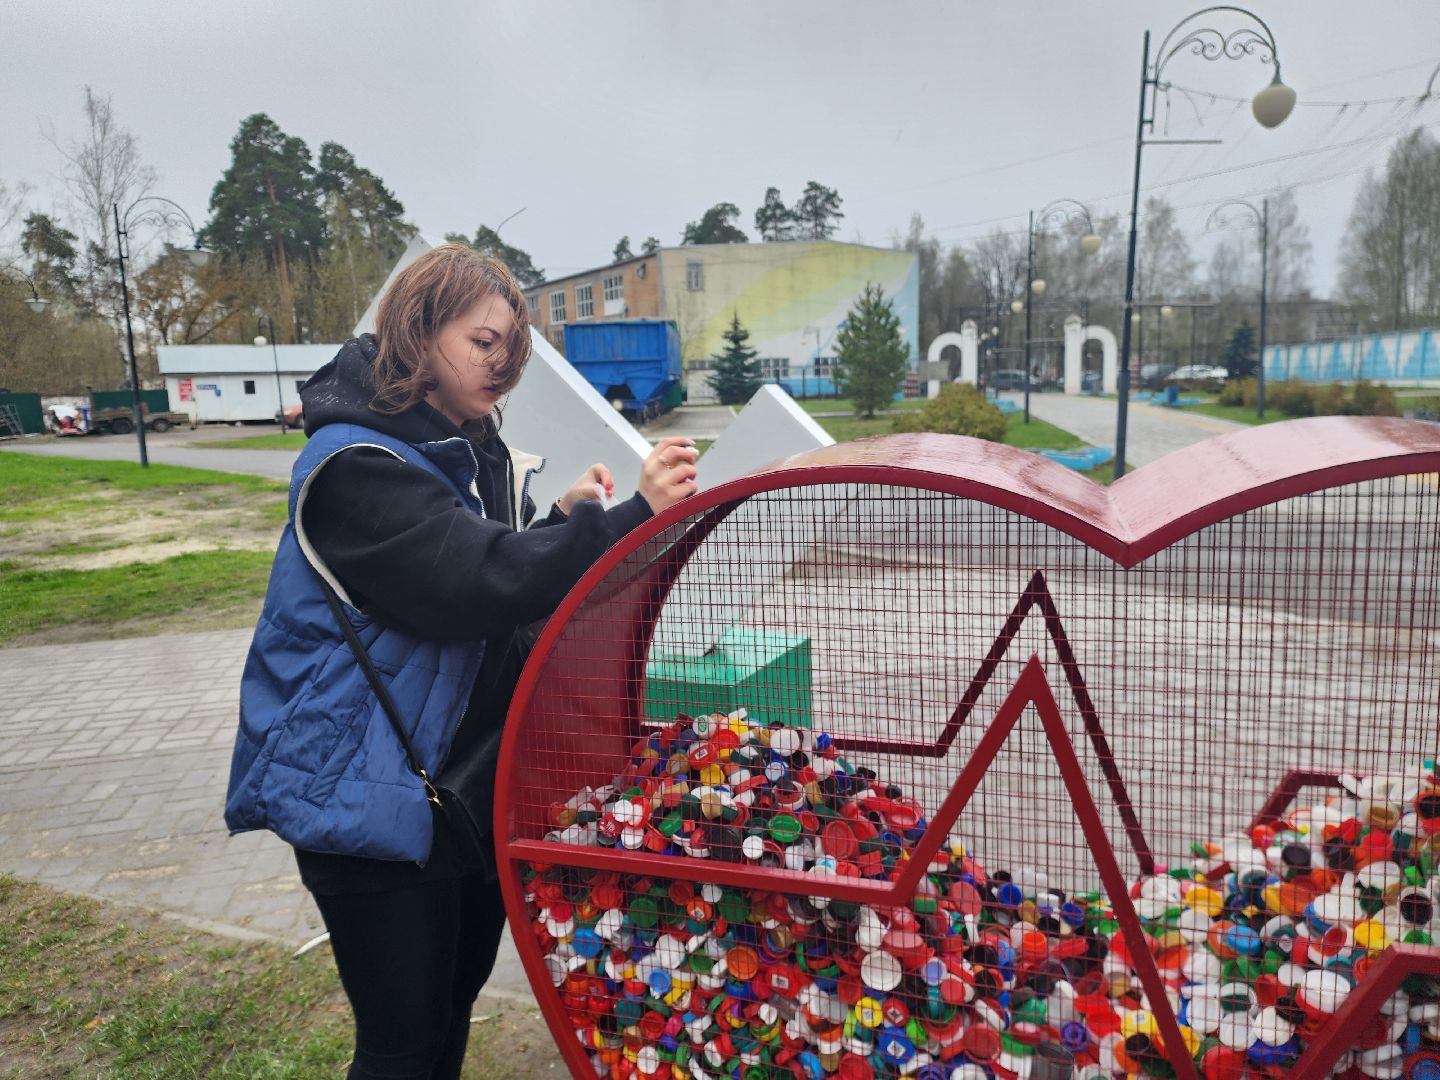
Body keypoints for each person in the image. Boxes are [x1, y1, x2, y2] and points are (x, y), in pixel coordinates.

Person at [224, 243, 697, 1079]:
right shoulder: (356, 468)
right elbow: (468, 581)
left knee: (447, 1013)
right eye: (483, 342)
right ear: (417, 330)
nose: (501, 366)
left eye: (511, 349)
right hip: (365, 804)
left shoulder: (457, 444)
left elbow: (480, 567)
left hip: (455, 795)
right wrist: (626, 518)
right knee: (402, 1045)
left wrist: (560, 523)